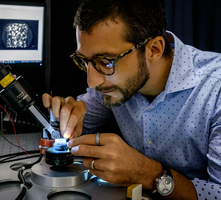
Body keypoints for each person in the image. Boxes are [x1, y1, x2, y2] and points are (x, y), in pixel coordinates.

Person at [42, 0, 221, 199]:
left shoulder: (216, 90)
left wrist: (148, 174)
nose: (92, 82)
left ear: (154, 50)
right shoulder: (111, 84)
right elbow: (74, 123)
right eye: (85, 61)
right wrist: (66, 116)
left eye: (106, 61)